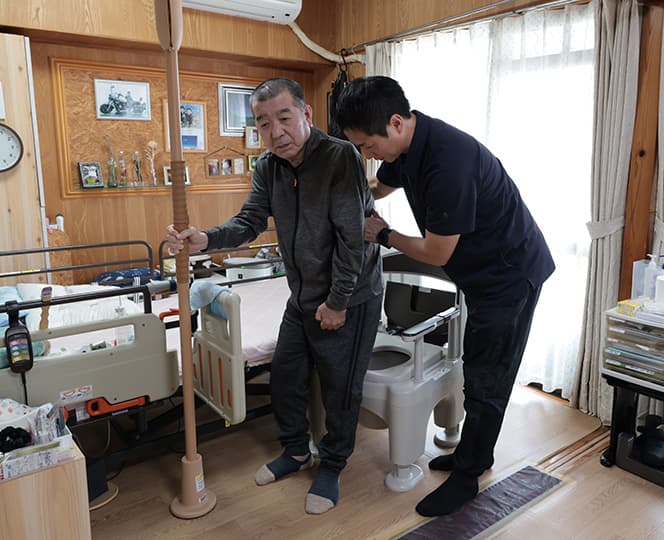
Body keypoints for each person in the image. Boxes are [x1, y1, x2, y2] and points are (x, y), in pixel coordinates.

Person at [335, 76, 555, 517]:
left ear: (395, 123)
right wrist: (346, 198)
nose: (367, 154)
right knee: (478, 369)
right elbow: (380, 186)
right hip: (483, 272)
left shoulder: (448, 162)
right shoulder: (405, 146)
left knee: (487, 378)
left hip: (510, 276)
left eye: (368, 145)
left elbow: (437, 253)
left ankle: (467, 477)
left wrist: (384, 234)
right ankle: (475, 455)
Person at [165, 78, 382, 515]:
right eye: (264, 123)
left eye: (284, 117)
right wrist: (205, 240)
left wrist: (338, 302)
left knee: (340, 388)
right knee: (285, 375)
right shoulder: (269, 166)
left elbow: (352, 239)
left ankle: (332, 464)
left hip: (351, 294)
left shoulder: (340, 157)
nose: (275, 131)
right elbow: (249, 221)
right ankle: (297, 450)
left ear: (306, 114)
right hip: (301, 294)